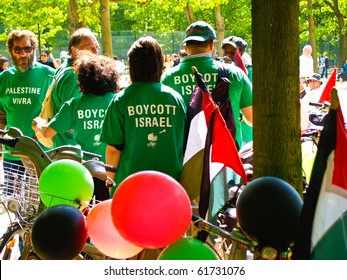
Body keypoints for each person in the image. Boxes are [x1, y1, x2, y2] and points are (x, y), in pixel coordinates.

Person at [100, 36, 187, 197]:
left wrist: (110, 182)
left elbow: (113, 149)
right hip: (171, 187)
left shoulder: (121, 100)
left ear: (132, 66)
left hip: (131, 187)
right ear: (160, 64)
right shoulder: (175, 99)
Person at [33, 52, 120, 201]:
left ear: (82, 80)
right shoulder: (117, 102)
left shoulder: (74, 104)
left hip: (83, 174)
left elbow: (47, 133)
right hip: (112, 172)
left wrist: (38, 125)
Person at [161, 21, 253, 150]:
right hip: (226, 158)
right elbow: (252, 118)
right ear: (212, 45)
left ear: (186, 48)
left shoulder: (167, 78)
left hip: (186, 157)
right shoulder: (235, 74)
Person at [0, 30, 55, 182]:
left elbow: (59, 111)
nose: (23, 55)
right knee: (15, 202)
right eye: (18, 50)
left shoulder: (49, 75)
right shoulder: (4, 79)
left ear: (34, 49)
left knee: (45, 201)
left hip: (43, 152)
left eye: (27, 49)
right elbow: (1, 113)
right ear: (11, 51)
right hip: (13, 152)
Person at [48, 27, 100, 148]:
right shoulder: (73, 77)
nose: (96, 52)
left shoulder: (64, 68)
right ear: (74, 50)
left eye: (97, 47)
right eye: (90, 48)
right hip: (74, 151)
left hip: (67, 147)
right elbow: (72, 121)